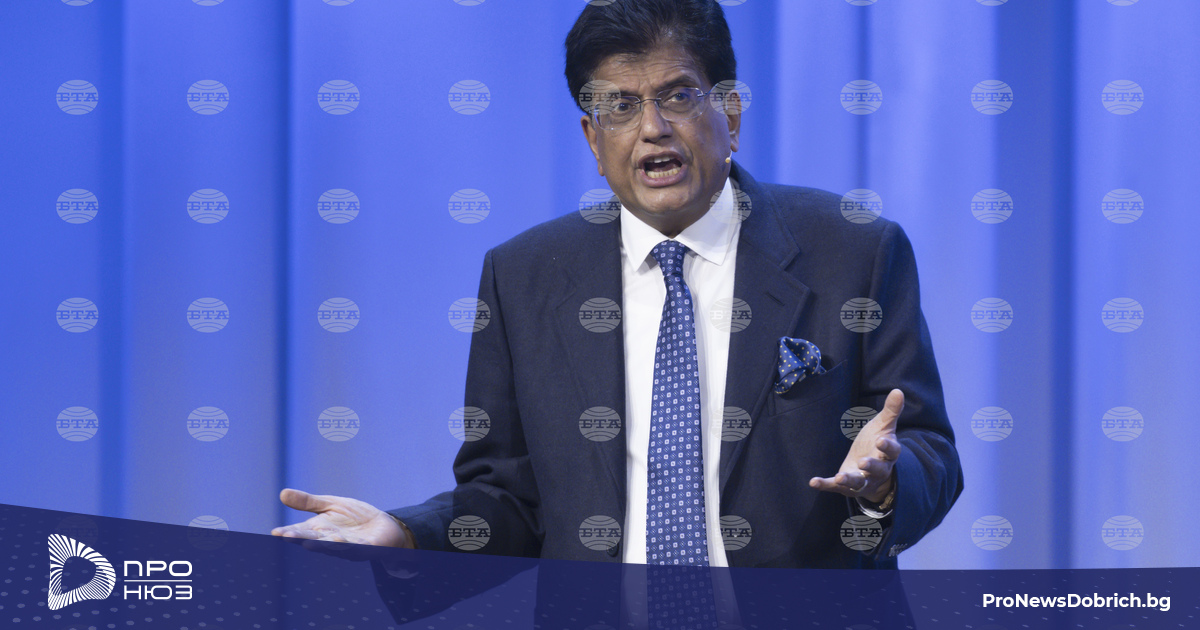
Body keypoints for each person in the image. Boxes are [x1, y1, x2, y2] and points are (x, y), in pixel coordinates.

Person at [272, 0, 961, 570]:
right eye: (621, 107)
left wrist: (885, 483)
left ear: (731, 115)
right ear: (593, 140)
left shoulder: (854, 250)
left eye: (678, 96)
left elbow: (930, 450)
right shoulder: (523, 276)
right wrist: (407, 533)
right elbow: (508, 498)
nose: (652, 129)